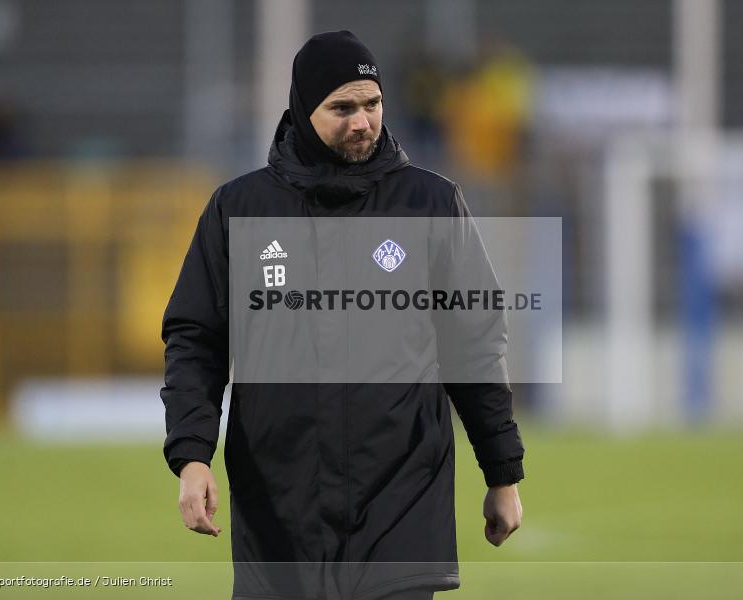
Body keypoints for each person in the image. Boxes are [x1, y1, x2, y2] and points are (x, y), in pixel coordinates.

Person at [161, 30, 525, 600]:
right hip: (277, 505)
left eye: (373, 104)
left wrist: (502, 471)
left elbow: (473, 342)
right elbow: (195, 340)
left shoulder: (430, 202)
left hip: (402, 499)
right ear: (304, 112)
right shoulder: (239, 208)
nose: (362, 121)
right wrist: (192, 456)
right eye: (342, 108)